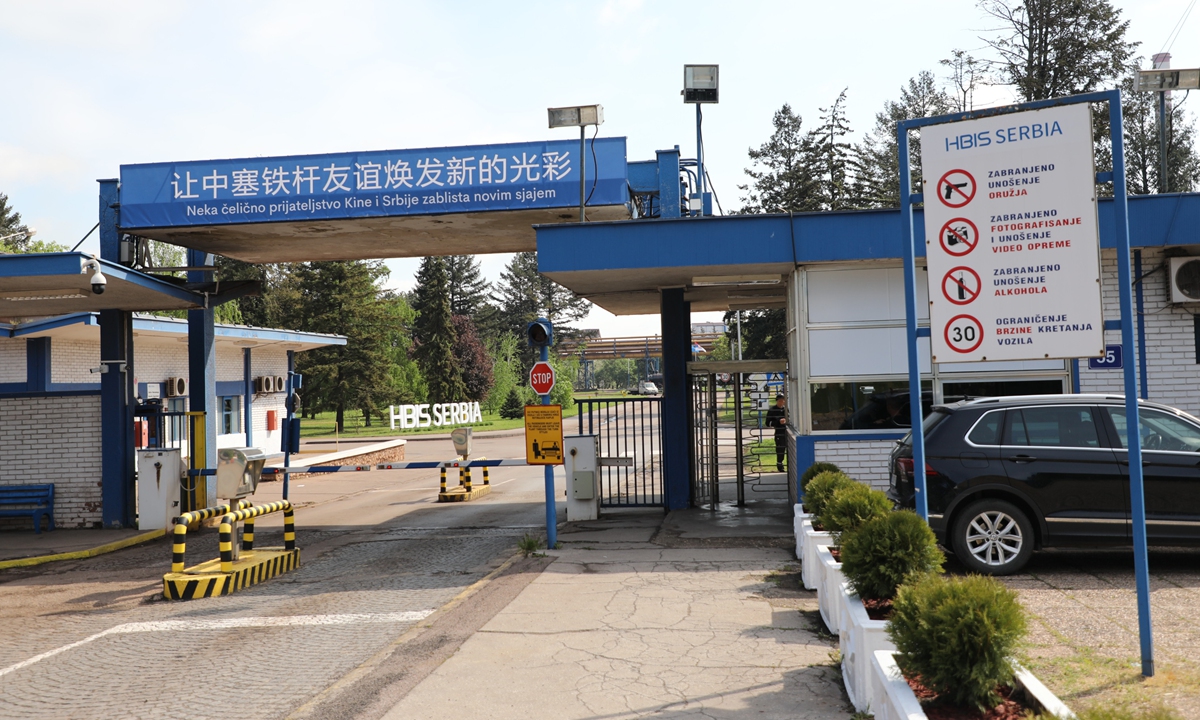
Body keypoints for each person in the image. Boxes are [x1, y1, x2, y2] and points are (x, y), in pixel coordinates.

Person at [765, 394, 788, 472]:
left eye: (783, 400)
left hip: (787, 431)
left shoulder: (786, 410)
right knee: (780, 448)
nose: (782, 402)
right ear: (777, 401)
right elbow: (768, 423)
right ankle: (780, 464)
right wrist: (778, 422)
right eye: (780, 400)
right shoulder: (772, 410)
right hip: (779, 432)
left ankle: (789, 464)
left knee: (788, 448)